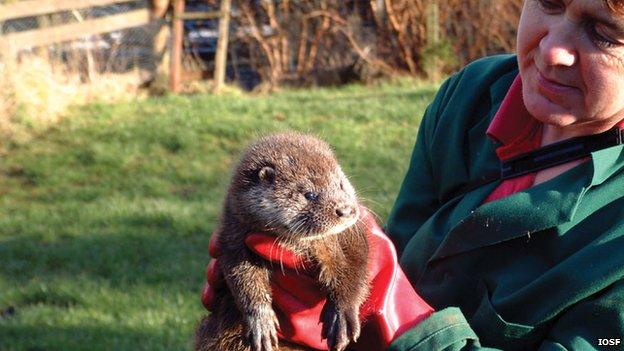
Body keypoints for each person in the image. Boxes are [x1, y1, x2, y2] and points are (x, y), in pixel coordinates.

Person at [202, 0, 624, 349]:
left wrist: (392, 315)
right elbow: (402, 248)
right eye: (549, 2)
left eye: (604, 33)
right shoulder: (470, 96)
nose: (553, 51)